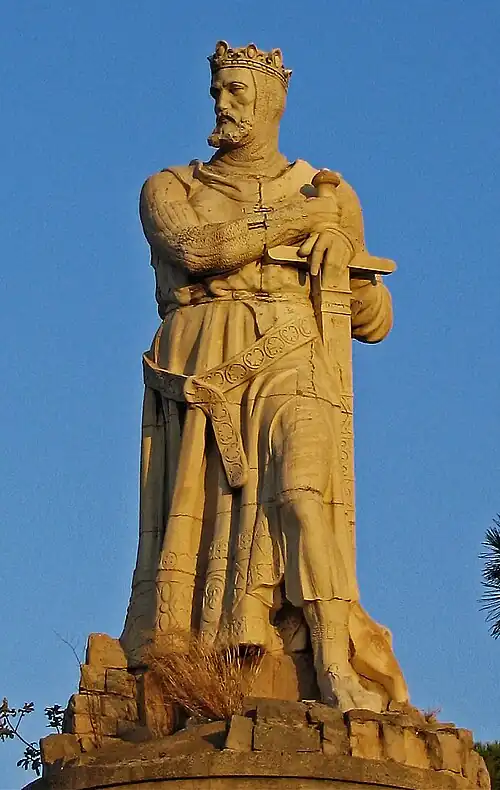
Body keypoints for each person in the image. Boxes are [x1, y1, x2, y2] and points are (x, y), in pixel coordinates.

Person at [121, 41, 408, 712]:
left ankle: (334, 663)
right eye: (217, 91)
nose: (221, 103)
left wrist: (346, 271)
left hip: (291, 353)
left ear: (272, 102)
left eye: (236, 92)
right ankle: (210, 668)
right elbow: (195, 249)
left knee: (306, 494)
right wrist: (300, 220)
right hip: (203, 366)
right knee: (203, 527)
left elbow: (374, 321)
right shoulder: (171, 187)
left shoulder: (328, 192)